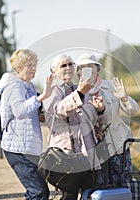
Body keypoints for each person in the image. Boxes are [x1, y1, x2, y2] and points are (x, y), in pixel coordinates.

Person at [42, 54, 105, 200]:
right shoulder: (51, 91)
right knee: (69, 195)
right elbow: (58, 111)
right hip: (66, 152)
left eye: (71, 64)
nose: (68, 67)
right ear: (53, 71)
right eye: (63, 65)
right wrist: (80, 93)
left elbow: (93, 119)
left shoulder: (79, 89)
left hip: (87, 151)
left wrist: (100, 111)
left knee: (89, 192)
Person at [76, 53, 139, 186]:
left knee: (123, 186)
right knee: (100, 188)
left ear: (97, 69)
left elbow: (132, 110)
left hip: (118, 147)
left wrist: (124, 98)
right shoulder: (76, 94)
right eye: (83, 67)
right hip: (95, 153)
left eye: (90, 66)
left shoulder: (111, 86)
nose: (87, 69)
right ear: (79, 72)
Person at [0, 49, 53, 200]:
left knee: (38, 191)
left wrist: (39, 113)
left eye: (35, 65)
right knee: (38, 192)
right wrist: (42, 97)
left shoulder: (28, 86)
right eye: (29, 65)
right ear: (18, 68)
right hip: (17, 149)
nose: (34, 69)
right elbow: (19, 111)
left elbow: (29, 110)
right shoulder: (14, 86)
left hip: (27, 147)